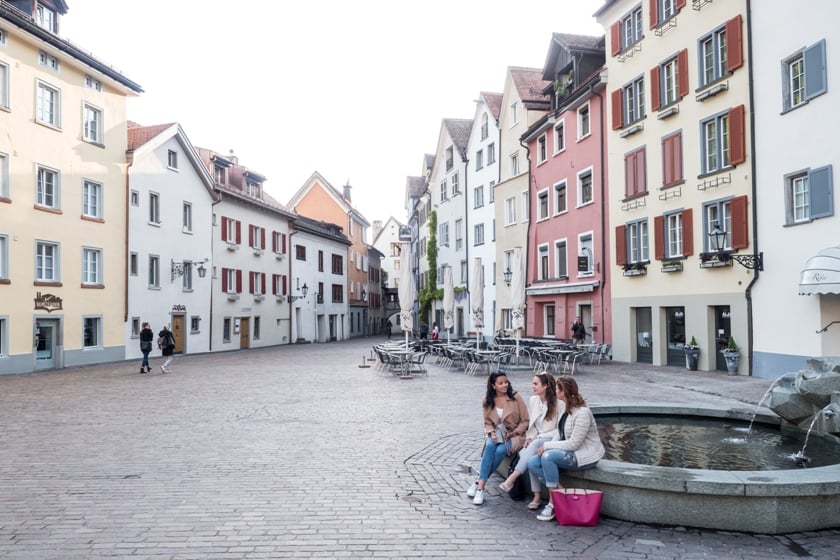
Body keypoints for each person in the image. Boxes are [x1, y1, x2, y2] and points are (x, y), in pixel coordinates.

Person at [527, 375, 605, 521]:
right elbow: (559, 432)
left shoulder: (582, 413)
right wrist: (547, 447)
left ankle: (552, 502)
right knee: (532, 462)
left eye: (557, 388)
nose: (555, 390)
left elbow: (574, 443)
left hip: (584, 455)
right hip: (570, 452)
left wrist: (546, 446)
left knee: (547, 457)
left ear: (563, 392)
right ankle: (561, 492)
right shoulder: (567, 408)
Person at [466, 371, 529, 505]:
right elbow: (487, 422)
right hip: (496, 433)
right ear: (493, 385)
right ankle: (481, 485)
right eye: (500, 383)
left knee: (500, 451)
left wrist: (514, 432)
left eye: (506, 382)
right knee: (489, 446)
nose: (505, 385)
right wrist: (492, 433)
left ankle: (479, 484)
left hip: (515, 434)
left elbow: (525, 421)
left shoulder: (516, 397)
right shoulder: (487, 400)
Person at [498, 373, 559, 508]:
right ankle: (536, 496)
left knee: (535, 445)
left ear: (546, 386)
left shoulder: (558, 403)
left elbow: (560, 430)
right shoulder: (533, 400)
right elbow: (532, 425)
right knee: (531, 454)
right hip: (537, 439)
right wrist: (530, 437)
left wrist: (537, 438)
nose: (532, 387)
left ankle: (512, 479)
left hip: (552, 439)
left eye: (535, 384)